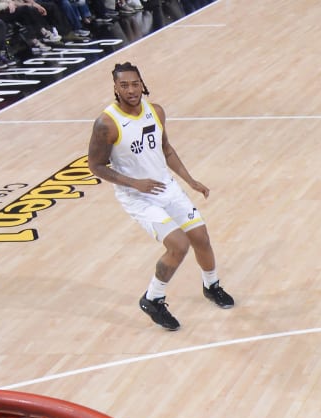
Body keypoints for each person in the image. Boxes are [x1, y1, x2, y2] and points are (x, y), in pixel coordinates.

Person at [86, 60, 233, 331]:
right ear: (115, 88)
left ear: (142, 84)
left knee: (200, 237)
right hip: (137, 196)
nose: (130, 89)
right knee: (178, 245)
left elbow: (166, 149)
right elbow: (94, 166)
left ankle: (211, 286)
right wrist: (134, 183)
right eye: (124, 85)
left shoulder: (156, 112)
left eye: (134, 83)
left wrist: (190, 180)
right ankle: (153, 298)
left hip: (166, 187)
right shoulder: (106, 123)